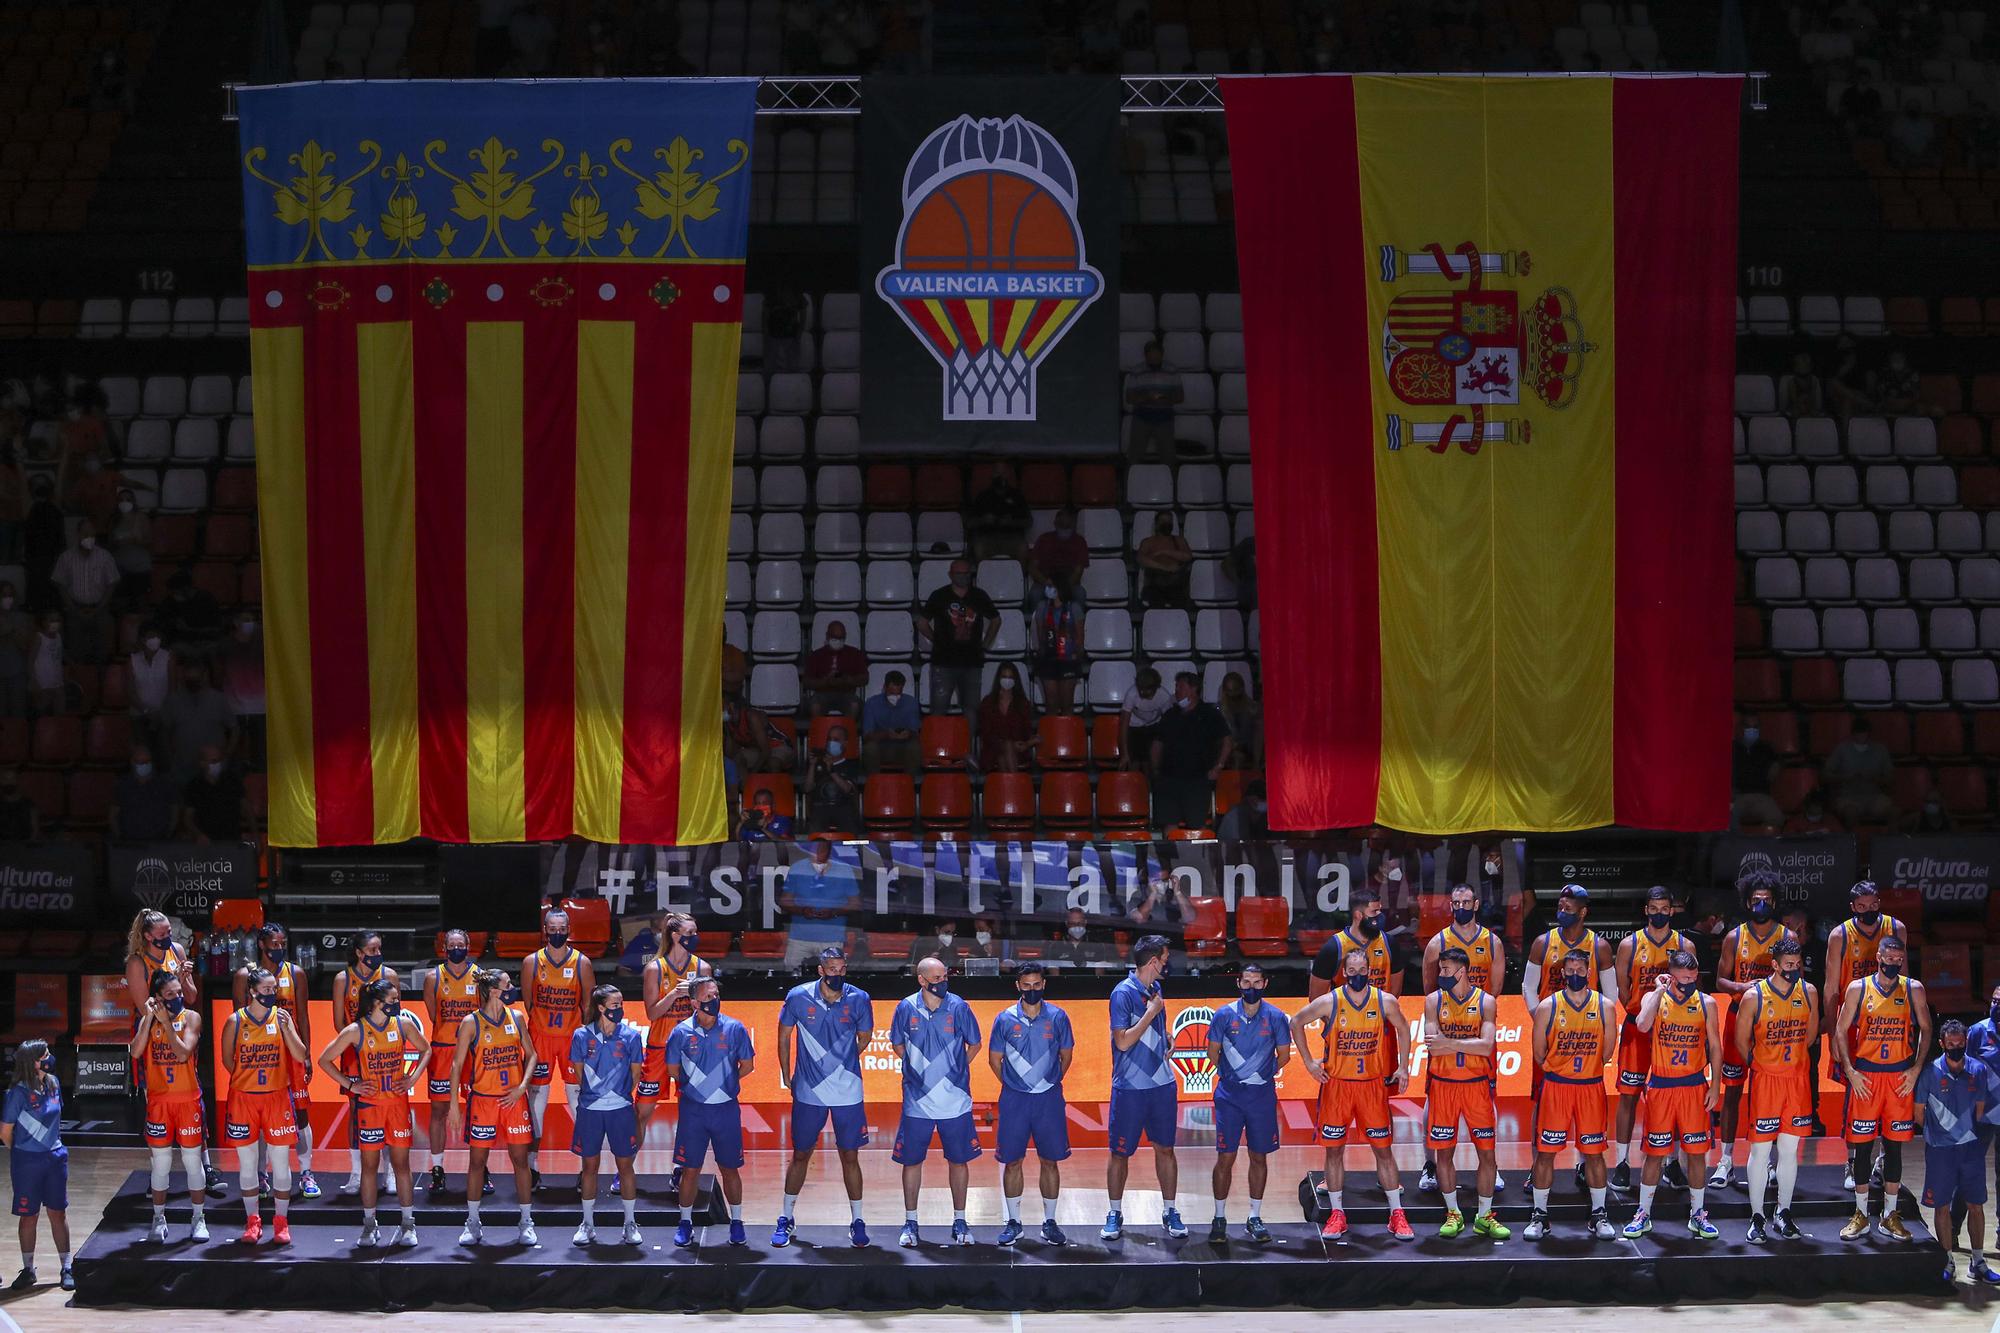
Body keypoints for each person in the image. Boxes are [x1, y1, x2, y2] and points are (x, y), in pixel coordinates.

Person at [1292, 945, 1414, 1241]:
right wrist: (1309, 1063)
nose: (1357, 975)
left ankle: (1397, 1215)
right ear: (1343, 973)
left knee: (1383, 1151)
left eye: (1363, 971)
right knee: (1334, 1151)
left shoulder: (1384, 1001)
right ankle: (1336, 1215)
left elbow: (1404, 1028)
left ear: (1369, 971)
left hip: (1372, 1086)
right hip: (1338, 1087)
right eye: (1352, 971)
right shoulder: (1330, 1001)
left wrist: (1403, 1067)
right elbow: (1295, 1022)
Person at [772, 946, 873, 1249]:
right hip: (809, 1090)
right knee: (801, 1154)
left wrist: (846, 1060)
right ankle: (786, 1216)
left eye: (842, 969)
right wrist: (786, 1074)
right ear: (820, 970)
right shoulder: (798, 996)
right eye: (832, 969)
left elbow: (865, 1035)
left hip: (848, 1089)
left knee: (850, 1156)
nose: (838, 974)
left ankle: (857, 1220)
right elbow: (783, 1036)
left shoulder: (859, 998)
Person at [314, 975, 426, 1248]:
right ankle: (368, 1226)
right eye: (393, 1000)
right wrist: (350, 1084)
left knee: (401, 1165)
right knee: (369, 1167)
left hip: (398, 1105)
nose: (398, 1003)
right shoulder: (356, 1030)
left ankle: (408, 1225)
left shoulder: (404, 1024)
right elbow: (324, 1060)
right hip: (370, 1107)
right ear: (377, 1003)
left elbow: (426, 1050)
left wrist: (412, 1078)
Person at [1833, 933, 1930, 1242]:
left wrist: (1916, 1069)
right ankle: (1860, 1214)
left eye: (1898, 961)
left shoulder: (1913, 989)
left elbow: (1927, 1030)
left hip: (1899, 1079)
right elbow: (1839, 1031)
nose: (1892, 965)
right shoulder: (1858, 988)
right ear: (1878, 958)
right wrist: (1849, 1071)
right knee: (1862, 1148)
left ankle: (1889, 1216)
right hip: (1867, 1078)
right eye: (1888, 960)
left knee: (1893, 1148)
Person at [1623, 950, 1724, 1241]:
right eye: (1682, 980)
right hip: (1662, 1086)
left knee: (1696, 1153)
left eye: (1693, 979)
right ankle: (1642, 1213)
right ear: (1671, 976)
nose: (1688, 984)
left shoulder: (1707, 1003)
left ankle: (1698, 1213)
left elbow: (1715, 1047)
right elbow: (1642, 1024)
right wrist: (1658, 990)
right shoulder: (1655, 998)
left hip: (1693, 1086)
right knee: (1654, 1154)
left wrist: (1716, 1085)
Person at [124, 909, 223, 1200]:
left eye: (170, 932)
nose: (170, 937)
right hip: (152, 1031)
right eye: (164, 933)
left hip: (181, 1024)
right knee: (154, 1101)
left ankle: (206, 1169)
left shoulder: (177, 950)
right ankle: (158, 1173)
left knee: (193, 1097)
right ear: (147, 935)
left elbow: (190, 997)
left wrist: (185, 980)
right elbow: (146, 1010)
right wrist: (167, 995)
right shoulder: (136, 963)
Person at [1523, 948, 1618, 1242]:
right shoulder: (1547, 1007)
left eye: (1580, 970)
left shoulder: (1605, 1007)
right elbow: (1539, 1054)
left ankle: (1599, 1214)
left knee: (1594, 1154)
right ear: (1562, 972)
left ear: (1589, 972)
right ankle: (1539, 1215)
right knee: (1546, 1153)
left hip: (1590, 1087)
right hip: (1557, 1087)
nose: (1575, 974)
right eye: (1570, 969)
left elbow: (1607, 1052)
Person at [890, 957, 983, 1247]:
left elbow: (975, 1043)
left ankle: (959, 1220)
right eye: (937, 977)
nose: (943, 981)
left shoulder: (959, 1007)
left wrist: (955, 1071)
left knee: (958, 1161)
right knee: (912, 1162)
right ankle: (911, 1221)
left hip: (954, 1102)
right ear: (921, 980)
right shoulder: (905, 1008)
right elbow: (897, 1044)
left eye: (945, 976)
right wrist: (919, 1071)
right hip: (917, 1102)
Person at [1710, 873, 1795, 1190]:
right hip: (1738, 1017)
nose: (1761, 905)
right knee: (1732, 1091)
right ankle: (1726, 1161)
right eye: (1756, 900)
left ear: (1774, 902)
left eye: (1767, 900)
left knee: (1768, 1096)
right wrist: (1744, 986)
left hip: (1773, 1022)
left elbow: (1794, 976)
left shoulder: (1787, 936)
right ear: (1747, 902)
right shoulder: (1734, 937)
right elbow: (1720, 981)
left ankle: (1768, 1162)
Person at [1609, 885, 1693, 1193]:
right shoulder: (1630, 944)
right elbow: (1621, 988)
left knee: (1669, 1098)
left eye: (1664, 909)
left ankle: (1670, 1162)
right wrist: (1638, 1010)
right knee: (1628, 1096)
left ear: (1672, 910)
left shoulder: (1685, 945)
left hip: (1671, 1032)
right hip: (1637, 1029)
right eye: (1653, 908)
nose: (1659, 913)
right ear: (1646, 910)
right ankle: (1621, 1163)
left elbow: (1691, 986)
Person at [1735, 939, 1819, 1244]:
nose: (1794, 969)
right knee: (1760, 1150)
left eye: (1798, 964)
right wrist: (1763, 1064)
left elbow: (1809, 1036)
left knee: (1789, 1150)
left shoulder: (1808, 992)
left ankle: (1783, 1212)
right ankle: (1757, 1216)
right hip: (1766, 1081)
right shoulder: (1754, 997)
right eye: (1788, 965)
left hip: (1796, 1081)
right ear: (1774, 964)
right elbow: (1741, 1041)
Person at [446, 969, 537, 1246]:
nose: (513, 988)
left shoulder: (517, 1017)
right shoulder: (471, 1023)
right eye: (508, 984)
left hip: (514, 1099)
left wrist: (522, 1086)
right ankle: (472, 1222)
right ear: (495, 990)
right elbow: (456, 1065)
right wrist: (453, 1104)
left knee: (521, 1162)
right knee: (477, 1163)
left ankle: (526, 1222)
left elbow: (532, 1055)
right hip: (483, 1100)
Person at [1104, 934, 1185, 1241]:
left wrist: (1165, 1035)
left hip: (1161, 1084)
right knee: (1119, 1152)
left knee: (1166, 1148)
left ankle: (1170, 1210)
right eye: (1165, 959)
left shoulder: (1155, 988)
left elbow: (1151, 1025)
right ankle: (1114, 1212)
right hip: (1130, 1086)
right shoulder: (1122, 993)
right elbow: (1123, 1040)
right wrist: (1151, 1013)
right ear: (1153, 962)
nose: (1167, 964)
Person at [1423, 947, 1507, 1240]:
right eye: (1440, 970)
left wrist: (1451, 1042)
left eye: (1445, 970)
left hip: (1476, 1087)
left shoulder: (1487, 1001)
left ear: (1462, 971)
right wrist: (1463, 1043)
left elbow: (1487, 1046)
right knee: (1444, 1154)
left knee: (1487, 1154)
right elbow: (1433, 1046)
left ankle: (1485, 1216)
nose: (1441, 975)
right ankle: (1453, 1213)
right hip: (1444, 1086)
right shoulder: (1433, 1000)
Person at [988, 962, 1073, 1246]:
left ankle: (1050, 1222)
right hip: (1015, 1100)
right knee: (1013, 1161)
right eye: (1027, 985)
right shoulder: (1004, 1019)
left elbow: (1066, 1055)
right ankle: (1013, 1222)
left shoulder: (1059, 1017)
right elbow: (994, 1060)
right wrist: (1015, 1085)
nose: (1032, 990)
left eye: (1037, 985)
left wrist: (1049, 1082)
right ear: (1018, 986)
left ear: (1044, 985)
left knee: (1050, 1160)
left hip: (1049, 1098)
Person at [665, 976, 755, 1247]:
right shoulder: (680, 1033)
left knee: (730, 1169)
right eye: (707, 997)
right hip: (693, 1111)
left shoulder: (735, 1028)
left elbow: (747, 1066)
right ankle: (685, 1223)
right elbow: (672, 1071)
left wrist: (723, 1085)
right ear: (693, 1002)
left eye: (716, 995)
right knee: (690, 1170)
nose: (714, 1001)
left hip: (725, 1110)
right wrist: (697, 1090)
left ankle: (737, 1223)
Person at [233, 923, 318, 1201]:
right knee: (258, 1118)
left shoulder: (296, 973)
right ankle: (261, 1174)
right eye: (274, 943)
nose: (279, 948)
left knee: (301, 1114)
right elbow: (238, 1020)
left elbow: (303, 1016)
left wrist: (306, 1055)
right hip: (260, 1057)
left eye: (283, 944)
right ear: (261, 944)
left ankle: (306, 1173)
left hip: (290, 1054)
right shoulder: (244, 976)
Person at [1207, 963, 1290, 1243]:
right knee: (1225, 1157)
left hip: (1261, 1097)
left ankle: (1254, 1216)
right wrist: (1236, 1076)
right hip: (1230, 1097)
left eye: (1256, 983)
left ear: (1265, 984)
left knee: (1258, 1156)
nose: (1251, 988)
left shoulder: (1276, 1017)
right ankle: (1219, 1217)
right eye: (1246, 983)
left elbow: (1284, 1056)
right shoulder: (1223, 1015)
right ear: (1238, 984)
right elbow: (1212, 1053)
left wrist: (1260, 1075)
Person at [131, 970, 210, 1243]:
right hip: (159, 1102)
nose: (178, 998)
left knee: (191, 1162)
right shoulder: (148, 1019)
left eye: (179, 993)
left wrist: (165, 1024)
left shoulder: (191, 1018)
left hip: (188, 1100)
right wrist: (150, 1019)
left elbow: (182, 1053)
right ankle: (158, 1218)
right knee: (160, 1164)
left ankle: (198, 1218)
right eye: (170, 994)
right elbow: (135, 1051)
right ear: (157, 998)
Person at [1918, 1021, 2000, 1284]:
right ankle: (1948, 1260)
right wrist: (1939, 1135)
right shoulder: (1929, 1072)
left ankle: (1977, 1262)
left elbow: (1979, 1109)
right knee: (1941, 1206)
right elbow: (1918, 1113)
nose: (1956, 1048)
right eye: (1950, 1044)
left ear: (1966, 1042)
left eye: (1960, 1044)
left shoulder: (1977, 1070)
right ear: (1942, 1044)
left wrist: (1965, 1134)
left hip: (1970, 1150)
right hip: (1940, 1152)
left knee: (1976, 1205)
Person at [569, 983, 647, 1247]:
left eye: (621, 1004)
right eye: (614, 1005)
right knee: (589, 1167)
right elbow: (579, 1072)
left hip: (621, 1110)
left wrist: (618, 1095)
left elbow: (635, 1073)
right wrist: (596, 1094)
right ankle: (588, 1224)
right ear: (601, 1008)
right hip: (591, 1110)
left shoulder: (631, 1037)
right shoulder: (581, 1035)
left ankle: (629, 1223)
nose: (620, 1009)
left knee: (625, 1166)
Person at [522, 908, 593, 1188]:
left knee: (579, 1104)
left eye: (561, 928)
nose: (556, 932)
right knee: (535, 1104)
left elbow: (587, 1005)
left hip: (571, 1038)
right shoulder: (532, 961)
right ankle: (532, 1169)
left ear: (569, 929)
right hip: (540, 1036)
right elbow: (528, 1002)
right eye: (551, 928)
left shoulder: (581, 962)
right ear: (544, 929)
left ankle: (584, 1169)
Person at [332, 932, 399, 1194]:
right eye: (372, 950)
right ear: (359, 953)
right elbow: (339, 1022)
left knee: (388, 1109)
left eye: (379, 948)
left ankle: (389, 1173)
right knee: (356, 1110)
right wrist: (359, 1040)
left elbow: (396, 1015)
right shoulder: (343, 979)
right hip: (354, 1052)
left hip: (385, 1053)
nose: (377, 954)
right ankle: (357, 1173)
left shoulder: (389, 975)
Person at [2, 1039, 71, 1290]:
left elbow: (56, 1120)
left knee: (58, 1212)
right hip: (27, 1162)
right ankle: (28, 1269)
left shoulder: (53, 1084)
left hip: (55, 1159)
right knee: (28, 1216)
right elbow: (5, 1132)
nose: (50, 1057)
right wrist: (22, 1152)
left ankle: (67, 1266)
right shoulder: (16, 1093)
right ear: (33, 1062)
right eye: (46, 1054)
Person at [916, 560, 999, 747]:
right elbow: (921, 622)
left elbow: (996, 620)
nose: (964, 576)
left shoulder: (979, 595)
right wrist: (937, 638)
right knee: (939, 709)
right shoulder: (939, 596)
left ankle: (966, 749)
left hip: (971, 661)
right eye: (960, 573)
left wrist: (985, 645)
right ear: (951, 574)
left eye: (967, 573)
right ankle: (937, 749)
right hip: (943, 661)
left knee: (971, 710)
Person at [424, 929, 481, 1194]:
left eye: (461, 944)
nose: (456, 948)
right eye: (451, 945)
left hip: (472, 1051)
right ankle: (437, 1169)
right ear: (443, 948)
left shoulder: (480, 976)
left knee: (478, 1111)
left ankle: (481, 1168)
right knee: (439, 1111)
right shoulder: (432, 977)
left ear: (468, 946)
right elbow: (435, 1016)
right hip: (443, 1050)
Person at [1150, 671, 1230, 833]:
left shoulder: (1209, 714)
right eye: (1176, 687)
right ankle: (1170, 857)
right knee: (1169, 822)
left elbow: (1227, 741)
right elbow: (1157, 743)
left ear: (1193, 689)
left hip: (1197, 780)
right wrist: (1156, 769)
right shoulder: (1170, 715)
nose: (1177, 691)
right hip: (1169, 778)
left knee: (1197, 823)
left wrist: (1218, 767)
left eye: (1180, 686)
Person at [779, 838, 859, 970]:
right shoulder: (797, 868)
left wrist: (833, 913)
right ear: (808, 849)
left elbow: (855, 903)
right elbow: (784, 901)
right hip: (799, 938)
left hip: (832, 938)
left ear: (829, 851)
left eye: (822, 849)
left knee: (833, 979)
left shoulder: (844, 870)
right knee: (792, 977)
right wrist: (802, 911)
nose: (818, 852)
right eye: (814, 849)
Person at [47, 519, 117, 664]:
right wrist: (73, 609)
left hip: (100, 609)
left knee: (103, 653)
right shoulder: (66, 557)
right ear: (78, 534)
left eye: (92, 533)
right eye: (86, 533)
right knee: (76, 653)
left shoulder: (105, 556)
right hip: (75, 609)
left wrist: (98, 609)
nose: (89, 536)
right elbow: (61, 586)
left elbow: (112, 585)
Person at [159, 662, 235, 785]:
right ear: (183, 677)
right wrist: (170, 757)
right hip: (183, 766)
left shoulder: (219, 699)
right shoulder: (172, 701)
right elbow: (164, 731)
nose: (193, 682)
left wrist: (227, 755)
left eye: (196, 679)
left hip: (213, 766)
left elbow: (234, 729)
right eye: (190, 679)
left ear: (204, 676)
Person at [1027, 573, 1087, 715]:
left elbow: (1079, 637)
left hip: (1068, 660)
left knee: (1067, 704)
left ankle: (1068, 736)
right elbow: (1040, 634)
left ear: (1060, 587)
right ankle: (1051, 736)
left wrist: (1075, 654)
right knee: (1051, 704)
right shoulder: (1042, 607)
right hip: (1048, 659)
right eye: (1047, 586)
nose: (1047, 589)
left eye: (1050, 586)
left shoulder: (1074, 608)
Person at [1821, 717, 1895, 826]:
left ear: (1869, 733)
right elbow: (1825, 775)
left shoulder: (1880, 749)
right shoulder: (1842, 749)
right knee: (1851, 813)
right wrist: (1845, 777)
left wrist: (1875, 779)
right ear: (1853, 733)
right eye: (1858, 733)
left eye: (1864, 733)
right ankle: (1854, 841)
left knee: (1893, 812)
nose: (1861, 736)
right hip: (1848, 796)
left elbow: (1890, 778)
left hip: (1874, 795)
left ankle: (1891, 841)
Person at [1124, 340, 1183, 462]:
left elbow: (1180, 397)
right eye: (1151, 355)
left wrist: (1164, 399)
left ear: (1162, 354)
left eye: (1157, 354)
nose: (1154, 358)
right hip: (1141, 418)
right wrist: (1147, 398)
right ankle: (1130, 480)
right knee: (1134, 457)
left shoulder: (1172, 370)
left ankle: (1171, 480)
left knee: (1168, 458)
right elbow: (1129, 398)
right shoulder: (1136, 372)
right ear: (1146, 355)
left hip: (1165, 419)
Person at [181, 742, 248, 842]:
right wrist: (198, 834)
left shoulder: (232, 781)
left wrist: (255, 836)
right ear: (202, 763)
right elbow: (188, 818)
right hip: (207, 843)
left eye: (219, 760)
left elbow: (246, 808)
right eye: (213, 761)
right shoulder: (194, 786)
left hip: (232, 840)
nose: (217, 764)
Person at [801, 619, 868, 718]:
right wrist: (825, 681)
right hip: (822, 693)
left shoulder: (854, 654)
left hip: (847, 693)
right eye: (835, 637)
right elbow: (806, 681)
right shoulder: (816, 655)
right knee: (814, 705)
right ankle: (820, 732)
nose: (838, 641)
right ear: (827, 636)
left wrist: (848, 680)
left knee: (854, 705)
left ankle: (847, 732)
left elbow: (865, 678)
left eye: (841, 638)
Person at [966, 462, 1031, 563]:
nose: (1000, 476)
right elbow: (969, 523)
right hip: (988, 538)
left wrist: (1011, 522)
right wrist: (983, 520)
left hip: (1012, 538)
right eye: (997, 472)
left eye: (1003, 472)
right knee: (978, 547)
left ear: (1008, 474)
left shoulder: (1017, 496)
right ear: (992, 474)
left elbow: (1028, 522)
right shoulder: (983, 496)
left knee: (1022, 547)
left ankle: (1020, 577)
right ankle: (983, 577)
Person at [110, 744, 178, 840]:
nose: (144, 765)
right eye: (140, 762)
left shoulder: (165, 784)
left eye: (147, 762)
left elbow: (174, 810)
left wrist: (168, 835)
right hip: (129, 842)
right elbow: (113, 815)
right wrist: (120, 838)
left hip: (159, 842)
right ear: (132, 762)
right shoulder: (122, 785)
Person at [805, 722, 864, 832]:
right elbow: (808, 788)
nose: (831, 742)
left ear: (845, 743)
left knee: (850, 829)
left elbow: (847, 789)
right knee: (815, 828)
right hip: (820, 807)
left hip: (843, 807)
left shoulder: (851, 765)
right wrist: (812, 765)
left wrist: (831, 769)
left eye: (836, 740)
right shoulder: (817, 763)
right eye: (829, 739)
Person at [976, 665, 1035, 772]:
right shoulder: (988, 703)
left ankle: (1008, 787)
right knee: (1006, 748)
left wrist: (1026, 744)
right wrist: (1007, 744)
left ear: (1015, 680)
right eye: (1004, 676)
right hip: (993, 750)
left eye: (1010, 677)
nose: (1007, 680)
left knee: (1003, 757)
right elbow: (986, 733)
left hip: (1018, 751)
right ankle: (1015, 786)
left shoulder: (1023, 703)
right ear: (998, 679)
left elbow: (1027, 731)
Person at [859, 670, 920, 774]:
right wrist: (886, 734)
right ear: (885, 687)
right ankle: (874, 782)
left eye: (898, 693)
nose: (895, 697)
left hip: (902, 747)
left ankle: (910, 783)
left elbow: (915, 732)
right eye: (892, 693)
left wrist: (908, 734)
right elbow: (867, 736)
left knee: (915, 747)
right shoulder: (872, 703)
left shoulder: (911, 703)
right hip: (880, 747)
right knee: (870, 748)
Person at [1731, 712, 1782, 829]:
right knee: (1723, 820)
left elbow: (1780, 759)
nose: (1752, 730)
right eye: (1748, 727)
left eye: (1755, 727)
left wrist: (1777, 764)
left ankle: (1762, 844)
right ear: (1741, 728)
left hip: (1761, 796)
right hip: (1737, 796)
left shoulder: (1767, 748)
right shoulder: (1731, 748)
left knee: (1777, 819)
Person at [1137, 512, 1194, 609]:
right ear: (1156, 524)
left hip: (1176, 585)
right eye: (1163, 521)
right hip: (1155, 585)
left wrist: (1165, 552)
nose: (1167, 523)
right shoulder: (1148, 542)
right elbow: (1141, 559)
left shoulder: (1179, 540)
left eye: (1169, 521)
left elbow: (1187, 556)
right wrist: (1165, 568)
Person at [1119, 667, 1170, 771]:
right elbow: (1123, 725)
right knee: (1133, 764)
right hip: (1134, 727)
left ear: (1156, 688)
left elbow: (1170, 723)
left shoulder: (1164, 696)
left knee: (1151, 764)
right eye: (1141, 690)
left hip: (1154, 725)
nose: (1143, 693)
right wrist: (1125, 754)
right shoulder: (1131, 694)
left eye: (1148, 691)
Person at [1028, 507, 1090, 589]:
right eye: (1061, 525)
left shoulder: (1080, 541)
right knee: (1035, 595)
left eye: (1067, 526)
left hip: (1069, 581)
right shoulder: (1043, 539)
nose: (1064, 528)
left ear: (1073, 524)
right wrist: (1045, 582)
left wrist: (1065, 587)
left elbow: (1078, 571)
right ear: (1055, 524)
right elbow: (1033, 567)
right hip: (1045, 580)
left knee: (1080, 594)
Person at [128, 626, 172, 739]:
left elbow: (173, 690)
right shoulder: (132, 660)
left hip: (163, 715)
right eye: (151, 636)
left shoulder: (169, 658)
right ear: (143, 639)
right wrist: (146, 711)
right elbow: (130, 692)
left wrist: (160, 713)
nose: (155, 639)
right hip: (139, 715)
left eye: (157, 636)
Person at [1215, 671, 1260, 769]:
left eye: (1235, 689)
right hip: (1226, 751)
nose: (1233, 694)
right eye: (1229, 690)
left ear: (1242, 688)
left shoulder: (1253, 709)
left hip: (1248, 750)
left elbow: (1256, 738)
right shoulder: (1219, 711)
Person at [27, 612, 62, 715]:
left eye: (57, 620)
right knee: (42, 714)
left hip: (57, 682)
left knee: (59, 715)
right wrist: (33, 681)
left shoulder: (59, 637)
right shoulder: (39, 637)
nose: (54, 623)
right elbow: (30, 660)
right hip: (42, 683)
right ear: (44, 622)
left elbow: (58, 656)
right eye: (51, 620)